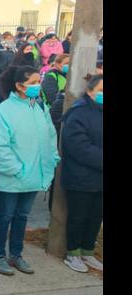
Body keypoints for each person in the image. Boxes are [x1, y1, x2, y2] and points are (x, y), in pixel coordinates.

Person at [0, 65, 59, 276]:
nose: (38, 86)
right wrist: (16, 169)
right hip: (12, 177)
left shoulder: (39, 107)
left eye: (39, 81)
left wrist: (52, 158)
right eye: (34, 82)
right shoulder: (5, 110)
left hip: (34, 175)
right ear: (19, 86)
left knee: (22, 216)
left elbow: (49, 135)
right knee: (5, 215)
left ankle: (16, 254)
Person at [60, 74, 103, 273]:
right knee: (78, 216)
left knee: (95, 217)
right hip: (81, 176)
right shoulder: (78, 113)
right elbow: (78, 146)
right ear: (90, 91)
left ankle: (88, 251)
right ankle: (73, 253)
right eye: (101, 90)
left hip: (99, 178)